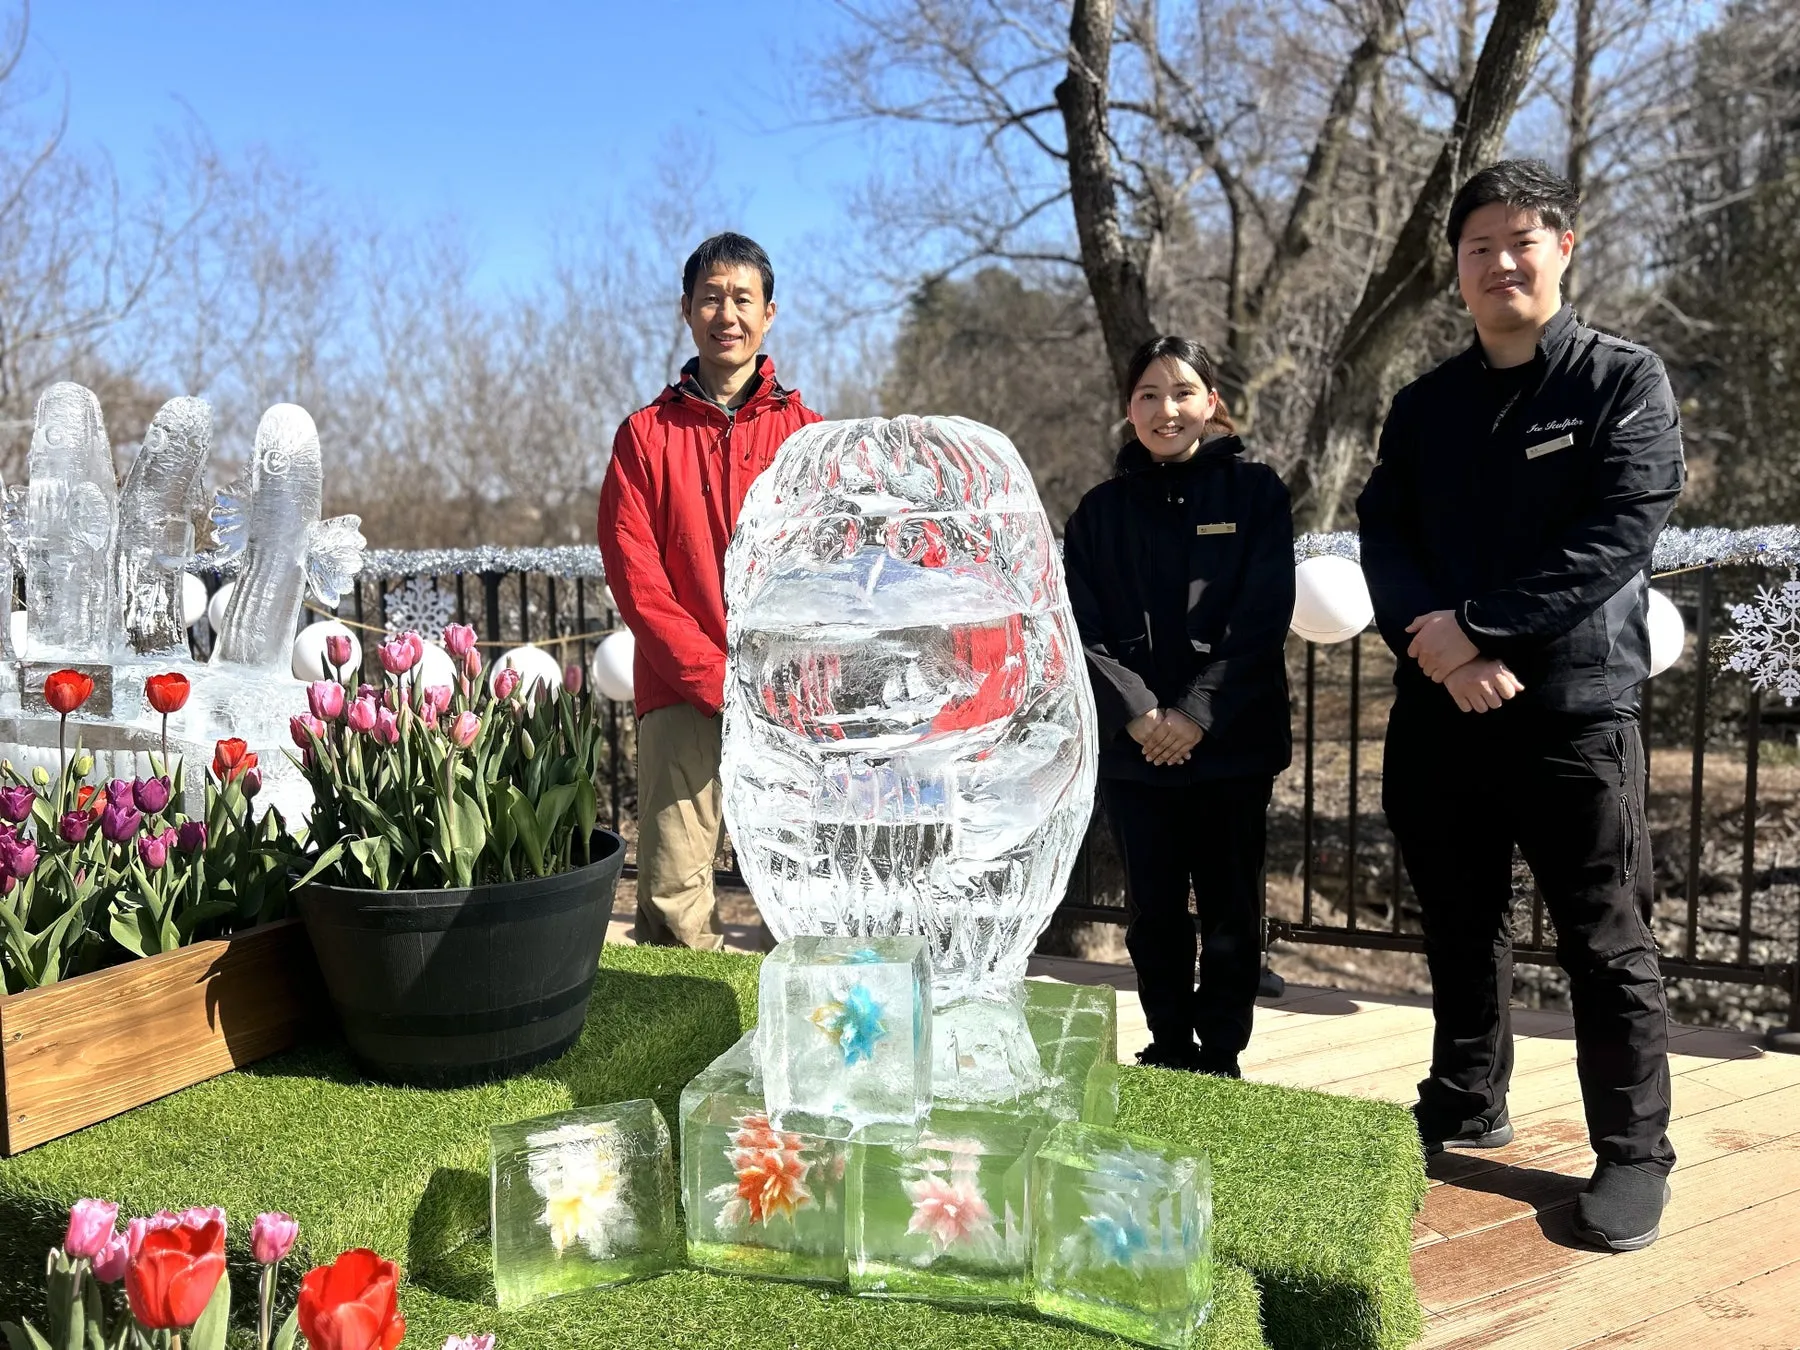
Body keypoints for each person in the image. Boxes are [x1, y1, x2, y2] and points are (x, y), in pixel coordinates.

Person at [1356, 160, 1686, 1252]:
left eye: (1521, 241)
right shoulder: (1424, 406)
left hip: (1573, 712)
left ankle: (1634, 1154)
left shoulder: (1621, 384)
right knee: (1459, 919)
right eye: (1477, 247)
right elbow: (1384, 539)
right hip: (1440, 705)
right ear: (1456, 271)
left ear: (1565, 248)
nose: (1500, 262)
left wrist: (1482, 630)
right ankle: (1465, 1096)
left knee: (1603, 938)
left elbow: (1616, 535)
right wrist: (1440, 650)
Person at [1063, 336, 1294, 1077]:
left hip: (1230, 741)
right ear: (1129, 410)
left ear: (1212, 403)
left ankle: (1221, 1052)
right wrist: (1138, 713)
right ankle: (1167, 1044)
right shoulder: (1097, 513)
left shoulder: (1258, 495)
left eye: (1184, 392)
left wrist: (1194, 712)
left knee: (1231, 910)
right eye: (1149, 395)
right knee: (1153, 912)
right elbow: (1081, 627)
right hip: (1138, 751)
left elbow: (1261, 618)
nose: (1168, 409)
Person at [596, 232, 821, 949]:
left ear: (769, 313)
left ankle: (803, 1039)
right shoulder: (645, 435)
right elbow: (636, 575)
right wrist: (712, 675)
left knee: (803, 878)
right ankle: (686, 1044)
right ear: (687, 311)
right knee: (672, 887)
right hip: (680, 689)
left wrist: (777, 672)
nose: (727, 313)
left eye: (743, 299)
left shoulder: (808, 436)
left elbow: (830, 565)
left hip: (789, 690)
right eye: (712, 298)